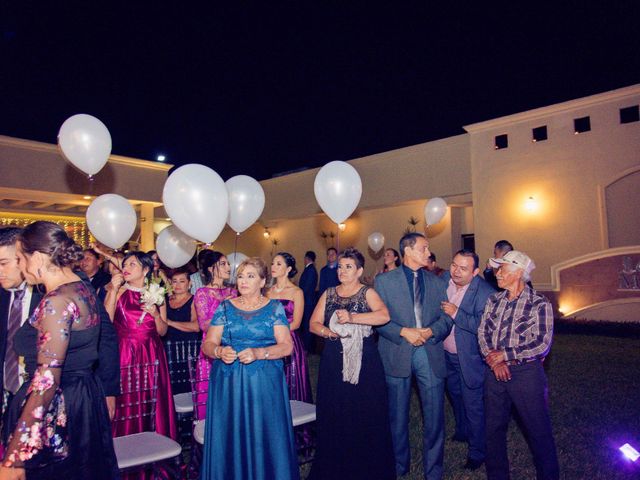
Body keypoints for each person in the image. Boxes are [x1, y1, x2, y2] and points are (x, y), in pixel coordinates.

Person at [0, 221, 119, 479]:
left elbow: (46, 380)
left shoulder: (57, 301)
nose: (20, 266)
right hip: (83, 399)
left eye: (20, 259)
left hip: (58, 408)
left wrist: (16, 453)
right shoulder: (81, 288)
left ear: (39, 258)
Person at [201, 257, 298, 480]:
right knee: (230, 434)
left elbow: (286, 346)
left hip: (263, 382)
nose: (243, 281)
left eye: (251, 276)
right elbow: (208, 343)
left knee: (264, 432)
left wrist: (259, 353)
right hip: (229, 382)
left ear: (263, 281)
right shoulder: (225, 307)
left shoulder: (274, 308)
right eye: (241, 276)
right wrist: (218, 352)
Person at [309, 247, 395, 480]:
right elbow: (313, 324)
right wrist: (328, 332)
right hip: (333, 358)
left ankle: (366, 466)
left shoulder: (367, 292)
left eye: (348, 267)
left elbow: (383, 316)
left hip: (364, 359)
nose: (342, 271)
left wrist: (353, 318)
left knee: (364, 411)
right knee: (335, 409)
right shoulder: (328, 293)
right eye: (340, 267)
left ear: (359, 270)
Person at [374, 233, 453, 480]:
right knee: (396, 416)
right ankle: (399, 466)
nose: (429, 252)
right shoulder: (384, 282)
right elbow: (377, 320)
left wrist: (431, 331)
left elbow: (447, 318)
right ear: (408, 251)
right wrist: (402, 332)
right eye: (424, 248)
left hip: (429, 353)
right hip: (397, 353)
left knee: (434, 416)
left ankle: (434, 471)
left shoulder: (438, 282)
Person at [478, 250, 559, 480]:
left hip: (526, 374)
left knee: (538, 431)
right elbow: (483, 332)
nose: (497, 273)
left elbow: (542, 343)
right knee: (493, 431)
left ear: (519, 272)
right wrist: (494, 361)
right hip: (494, 372)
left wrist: (505, 355)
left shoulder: (538, 303)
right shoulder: (493, 300)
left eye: (502, 268)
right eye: (498, 268)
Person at [105, 252, 178, 442]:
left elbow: (162, 331)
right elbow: (107, 321)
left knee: (151, 400)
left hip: (152, 352)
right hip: (125, 353)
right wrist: (112, 290)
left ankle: (154, 447)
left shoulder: (157, 293)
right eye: (125, 264)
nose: (126, 268)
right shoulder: (119, 291)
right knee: (127, 401)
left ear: (145, 270)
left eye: (132, 265)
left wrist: (155, 314)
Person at [440, 249, 496, 470]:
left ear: (475, 272)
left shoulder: (485, 292)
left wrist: (456, 313)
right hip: (446, 355)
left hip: (469, 359)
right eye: (454, 265)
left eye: (463, 268)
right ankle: (462, 431)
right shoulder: (445, 280)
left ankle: (477, 452)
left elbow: (484, 328)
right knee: (454, 395)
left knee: (473, 405)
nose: (456, 271)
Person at [267, 252, 313, 452]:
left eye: (278, 263)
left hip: (289, 341)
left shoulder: (296, 292)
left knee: (292, 384)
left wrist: (278, 332)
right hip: (269, 342)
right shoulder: (267, 292)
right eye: (273, 263)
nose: (273, 266)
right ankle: (273, 431)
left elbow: (296, 322)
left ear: (288, 269)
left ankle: (297, 434)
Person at [191, 251, 236, 420]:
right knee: (211, 394)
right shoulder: (202, 293)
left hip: (232, 346)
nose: (228, 267)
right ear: (211, 268)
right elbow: (203, 325)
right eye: (223, 264)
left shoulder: (233, 292)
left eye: (227, 264)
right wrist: (226, 317)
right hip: (211, 349)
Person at [163, 269, 200, 394]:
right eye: (174, 281)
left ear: (189, 284)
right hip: (167, 348)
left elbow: (196, 326)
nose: (177, 285)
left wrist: (170, 322)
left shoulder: (194, 300)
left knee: (187, 386)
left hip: (187, 348)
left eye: (182, 281)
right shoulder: (164, 301)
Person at [298, 250, 318, 352]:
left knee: (307, 325)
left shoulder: (310, 270)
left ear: (306, 258)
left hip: (307, 302)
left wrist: (298, 297)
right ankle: (307, 346)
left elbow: (306, 288)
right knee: (305, 325)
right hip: (307, 301)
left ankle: (307, 348)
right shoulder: (310, 269)